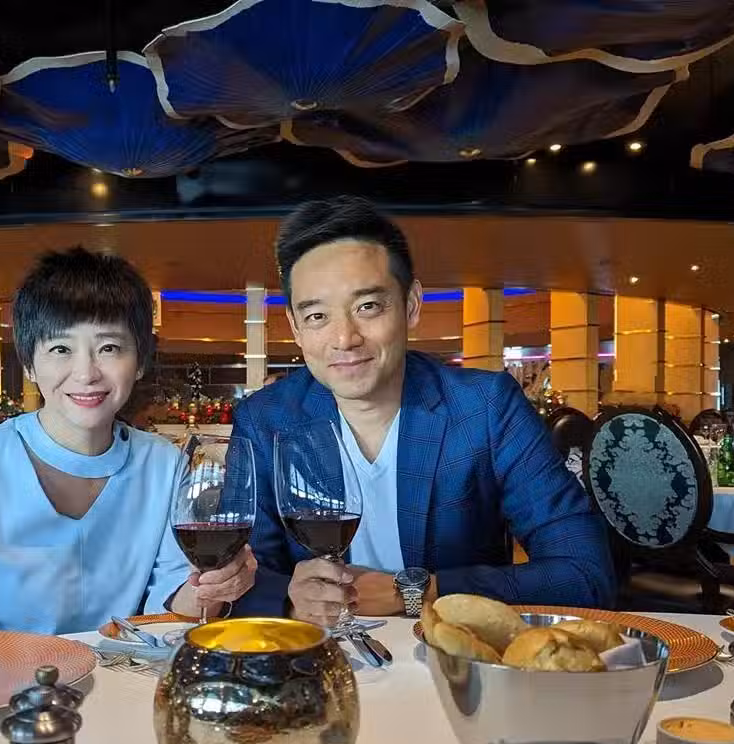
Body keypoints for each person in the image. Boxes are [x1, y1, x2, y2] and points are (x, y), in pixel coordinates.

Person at [232, 196, 613, 626]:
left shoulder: (486, 407)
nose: (344, 338)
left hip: (450, 653)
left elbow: (586, 573)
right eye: (317, 316)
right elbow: (240, 578)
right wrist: (288, 600)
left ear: (411, 305)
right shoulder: (265, 420)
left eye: (367, 307)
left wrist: (416, 591)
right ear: (296, 328)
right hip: (316, 653)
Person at [0, 248, 257, 634]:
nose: (86, 373)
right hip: (0, 675)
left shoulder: (165, 464)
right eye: (61, 349)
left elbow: (171, 618)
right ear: (29, 363)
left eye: (109, 348)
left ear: (140, 360)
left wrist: (214, 587)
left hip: (125, 670)